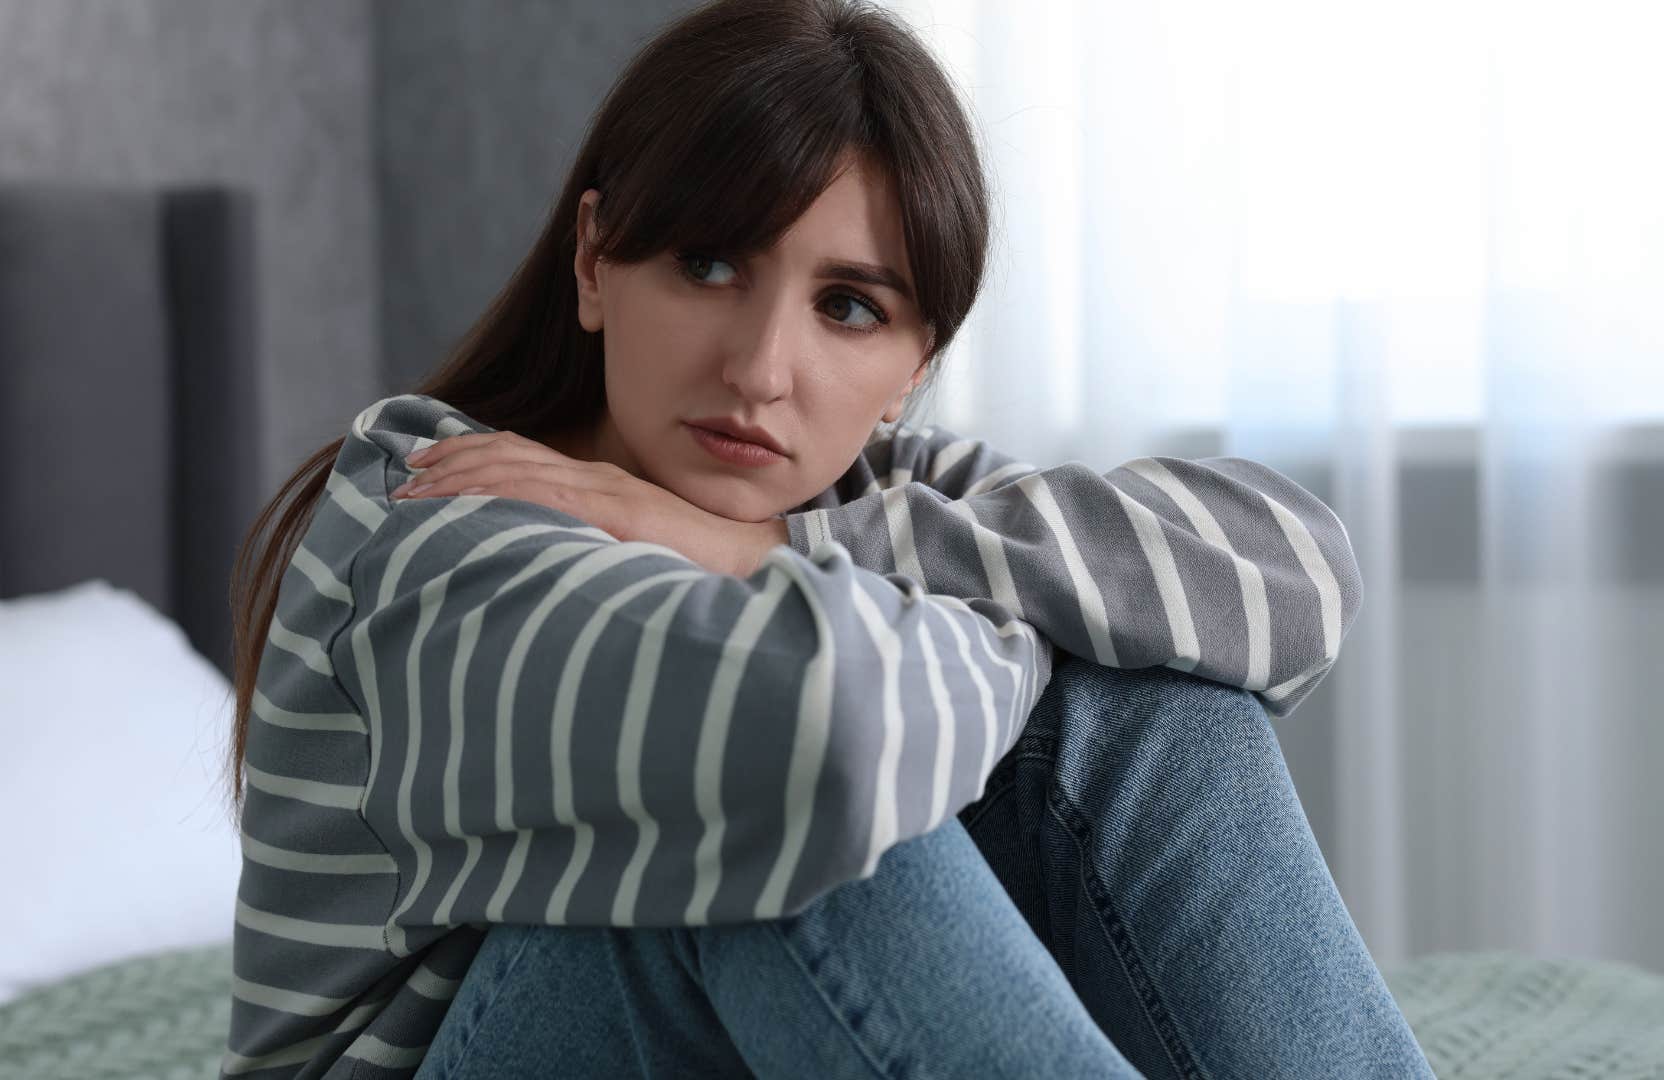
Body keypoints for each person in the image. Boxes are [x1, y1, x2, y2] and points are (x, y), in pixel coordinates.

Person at [222, 0, 1435, 1076]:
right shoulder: (442, 509)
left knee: (1159, 705)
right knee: (768, 839)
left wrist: (769, 552)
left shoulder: (860, 498)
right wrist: (1027, 618)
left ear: (914, 368)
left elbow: (1286, 577)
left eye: (848, 307)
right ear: (596, 262)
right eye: (707, 265)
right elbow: (831, 740)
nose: (761, 371)